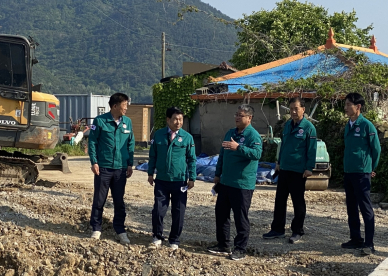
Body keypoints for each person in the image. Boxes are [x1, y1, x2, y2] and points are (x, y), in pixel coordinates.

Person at [209, 104, 262, 261]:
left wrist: (239, 147)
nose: (237, 118)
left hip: (242, 184)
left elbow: (257, 154)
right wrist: (218, 174)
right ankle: (223, 244)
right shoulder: (230, 133)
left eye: (241, 115)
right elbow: (223, 155)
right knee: (221, 214)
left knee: (240, 217)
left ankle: (240, 248)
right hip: (226, 182)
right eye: (236, 115)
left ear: (249, 118)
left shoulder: (253, 135)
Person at [263, 97, 317, 244]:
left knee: (298, 202)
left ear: (303, 109)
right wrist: (279, 162)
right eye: (291, 109)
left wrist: (309, 168)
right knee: (280, 200)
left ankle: (297, 230)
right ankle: (277, 229)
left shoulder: (308, 128)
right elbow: (283, 146)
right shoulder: (287, 125)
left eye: (296, 108)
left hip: (299, 171)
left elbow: (312, 150)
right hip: (285, 168)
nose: (293, 111)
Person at [147, 107, 197, 250]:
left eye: (180, 119)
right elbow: (153, 155)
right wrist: (150, 173)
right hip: (162, 180)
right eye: (175, 119)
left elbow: (192, 159)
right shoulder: (159, 135)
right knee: (158, 209)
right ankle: (157, 236)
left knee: (179, 211)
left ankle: (174, 239)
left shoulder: (187, 137)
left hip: (179, 180)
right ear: (168, 119)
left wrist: (192, 177)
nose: (178, 122)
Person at [88, 92, 135, 245]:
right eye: (124, 105)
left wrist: (130, 164)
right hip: (104, 168)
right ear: (115, 106)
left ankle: (120, 229)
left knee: (119, 201)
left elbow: (131, 144)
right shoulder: (100, 121)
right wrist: (94, 162)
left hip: (120, 169)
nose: (126, 108)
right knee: (99, 199)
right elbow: (93, 142)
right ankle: (96, 228)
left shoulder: (127, 122)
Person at [342, 92, 381, 256]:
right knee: (351, 207)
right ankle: (355, 238)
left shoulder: (367, 125)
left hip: (362, 173)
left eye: (348, 105)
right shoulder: (348, 125)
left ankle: (369, 243)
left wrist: (372, 167)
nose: (345, 108)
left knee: (365, 208)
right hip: (349, 172)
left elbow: (376, 149)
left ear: (357, 107)